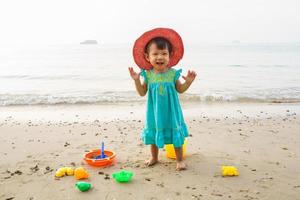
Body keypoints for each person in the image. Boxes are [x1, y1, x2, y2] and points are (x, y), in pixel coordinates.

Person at [129, 28, 196, 170]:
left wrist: (188, 82)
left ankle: (179, 159)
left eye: (164, 54)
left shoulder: (172, 74)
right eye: (155, 54)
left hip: (172, 111)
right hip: (154, 112)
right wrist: (136, 80)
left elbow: (180, 89)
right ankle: (154, 157)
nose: (160, 57)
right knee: (154, 131)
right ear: (148, 57)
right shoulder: (148, 75)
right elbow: (142, 93)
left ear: (170, 56)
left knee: (175, 132)